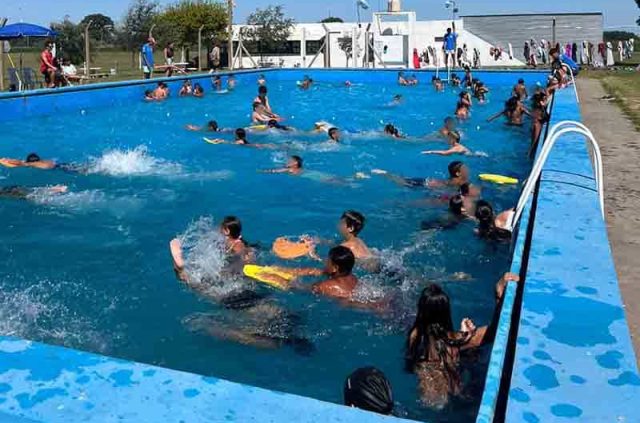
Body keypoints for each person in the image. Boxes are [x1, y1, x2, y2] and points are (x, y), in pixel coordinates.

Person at [405, 273, 520, 408]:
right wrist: (498, 295)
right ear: (446, 313)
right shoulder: (453, 343)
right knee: (473, 357)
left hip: (428, 391)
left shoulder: (414, 337)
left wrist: (463, 335)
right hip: (454, 394)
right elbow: (493, 333)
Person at [272, 246, 359, 302]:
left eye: (328, 261)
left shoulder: (325, 286)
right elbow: (316, 271)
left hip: (344, 304)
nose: (325, 263)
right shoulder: (353, 278)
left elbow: (298, 288)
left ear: (335, 268)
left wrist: (277, 279)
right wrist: (286, 271)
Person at [0, 184, 68, 200]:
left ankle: (56, 190)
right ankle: (55, 189)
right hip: (10, 188)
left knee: (30, 196)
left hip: (9, 191)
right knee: (31, 192)